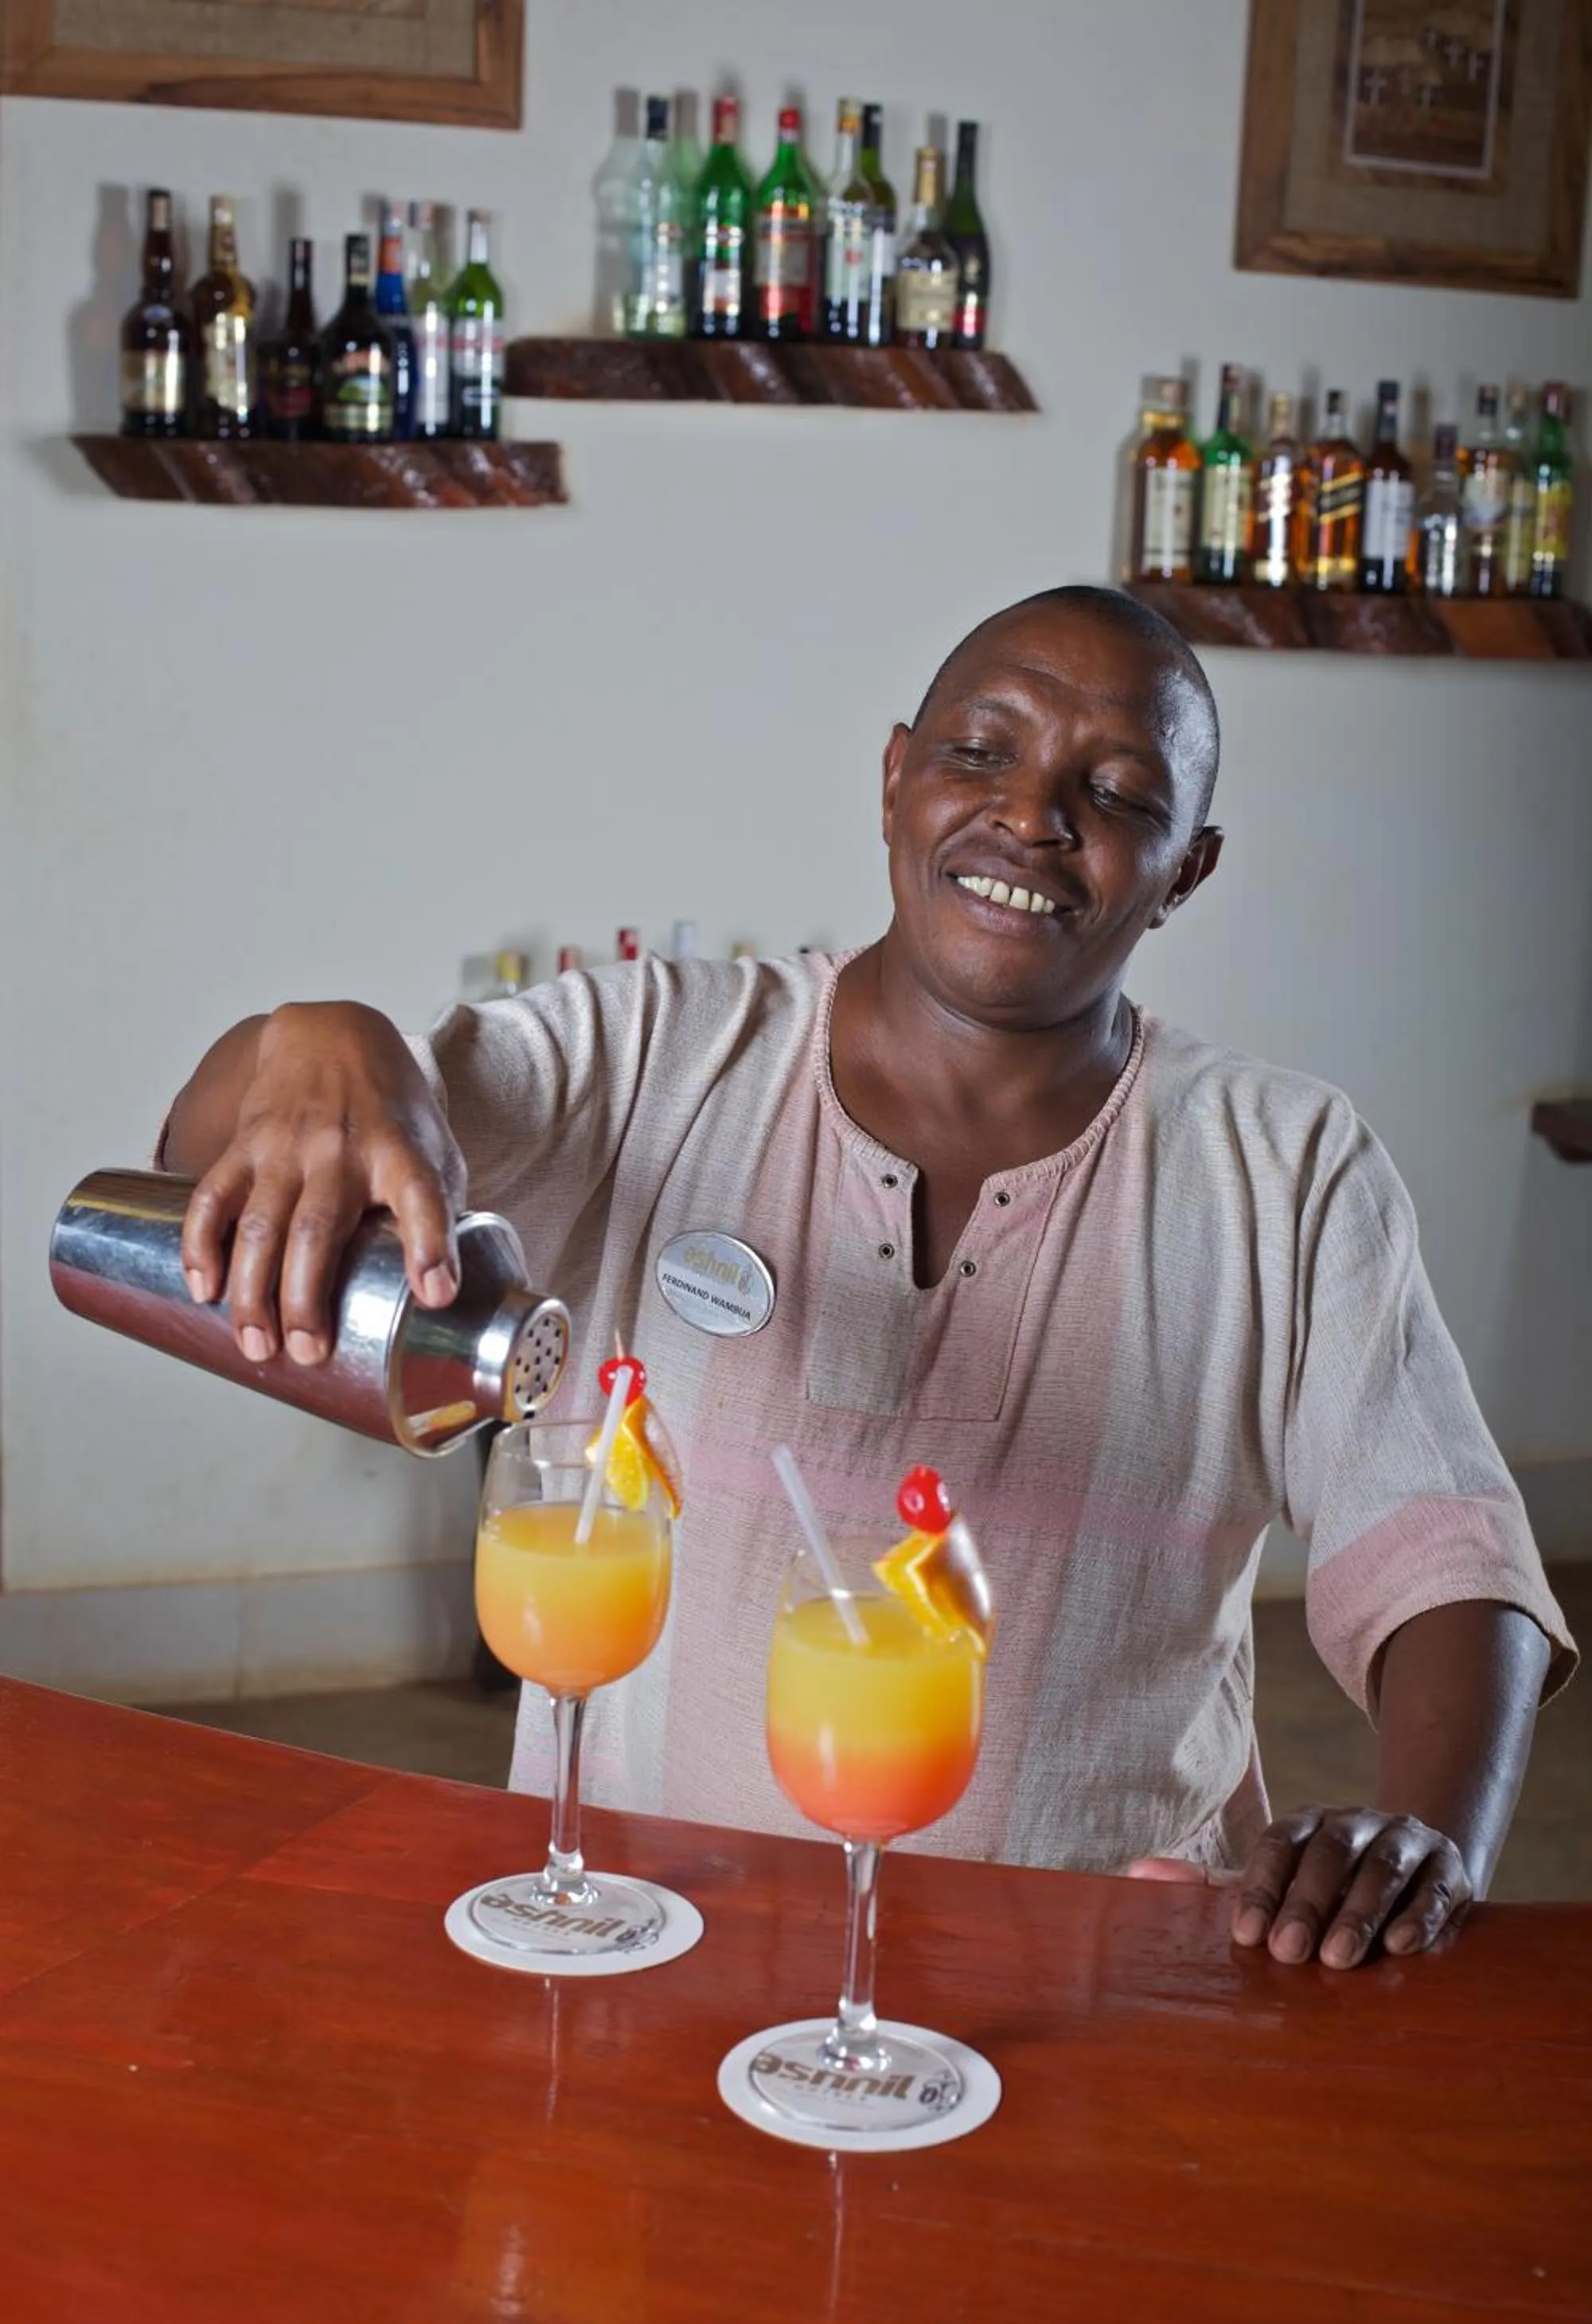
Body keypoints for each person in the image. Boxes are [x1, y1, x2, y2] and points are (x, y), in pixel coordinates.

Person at [163, 585, 1574, 1972]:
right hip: (644, 1939)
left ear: (1187, 868)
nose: (1032, 814)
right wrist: (326, 1040)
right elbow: (213, 1160)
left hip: (1103, 1982)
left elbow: (1444, 1554)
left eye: (1121, 793)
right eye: (981, 751)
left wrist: (1425, 1835)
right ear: (895, 778)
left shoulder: (1286, 1165)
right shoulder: (654, 1052)